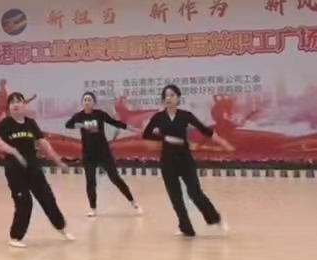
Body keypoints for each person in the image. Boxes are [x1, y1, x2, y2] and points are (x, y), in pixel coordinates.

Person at [142, 84, 234, 237]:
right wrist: (165, 138)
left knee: (194, 192)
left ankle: (215, 218)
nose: (169, 98)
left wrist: (222, 142)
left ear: (178, 98)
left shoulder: (185, 115)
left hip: (185, 160)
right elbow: (146, 134)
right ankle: (185, 227)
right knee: (175, 197)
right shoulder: (158, 117)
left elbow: (205, 130)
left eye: (172, 95)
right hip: (168, 161)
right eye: (166, 95)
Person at [0, 92, 74, 247]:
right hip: (15, 171)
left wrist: (58, 161)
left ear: (24, 105)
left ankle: (62, 228)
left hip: (33, 169)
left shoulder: (31, 123)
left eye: (19, 101)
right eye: (12, 102)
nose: (15, 104)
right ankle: (15, 238)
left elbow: (44, 144)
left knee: (48, 199)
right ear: (9, 107)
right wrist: (14, 151)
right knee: (25, 203)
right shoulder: (6, 124)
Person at [65, 92, 142, 217]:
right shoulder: (78, 116)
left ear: (94, 103)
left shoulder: (99, 114)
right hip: (88, 155)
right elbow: (68, 125)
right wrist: (78, 125)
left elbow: (115, 123)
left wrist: (133, 129)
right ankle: (93, 208)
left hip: (103, 152)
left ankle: (133, 202)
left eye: (89, 100)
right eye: (85, 100)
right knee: (90, 181)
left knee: (115, 178)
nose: (87, 102)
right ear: (82, 103)